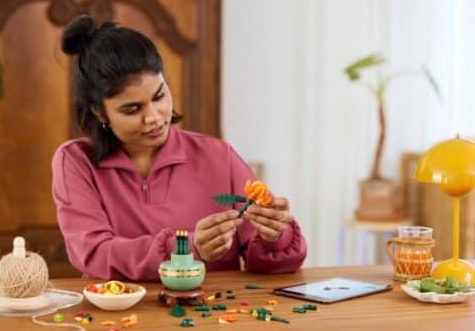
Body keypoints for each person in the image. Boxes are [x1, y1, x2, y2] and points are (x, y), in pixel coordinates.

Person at [52, 15, 307, 281]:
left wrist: (275, 235)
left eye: (159, 96)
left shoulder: (218, 155)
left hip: (215, 315)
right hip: (118, 315)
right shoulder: (75, 161)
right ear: (99, 112)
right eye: (132, 109)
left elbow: (266, 259)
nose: (154, 117)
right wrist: (186, 250)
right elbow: (94, 254)